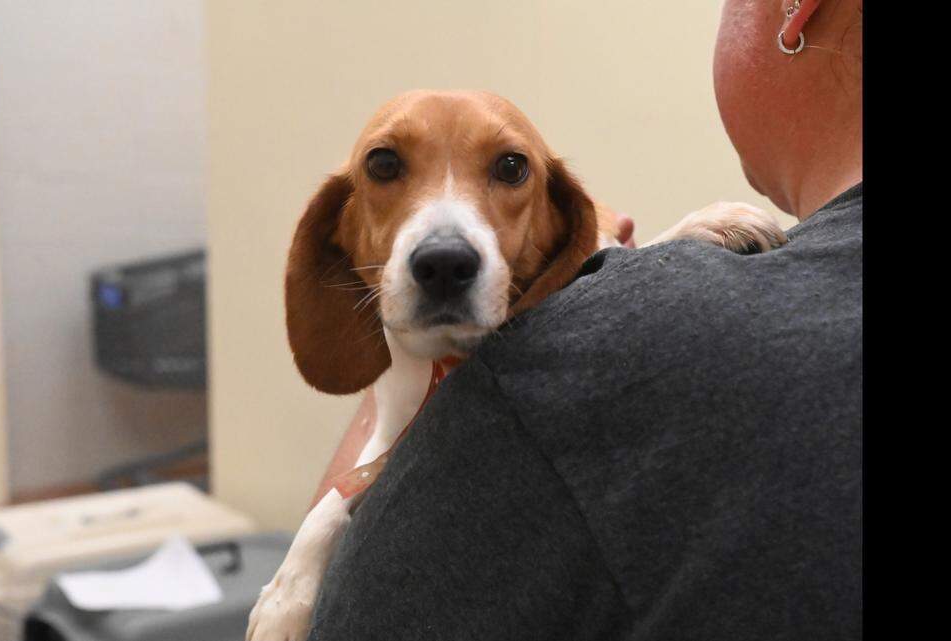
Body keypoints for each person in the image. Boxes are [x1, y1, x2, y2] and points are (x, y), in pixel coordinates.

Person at [305, 0, 862, 639]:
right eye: (386, 167)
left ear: (799, 9)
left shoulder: (536, 396)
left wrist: (609, 285)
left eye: (509, 169)